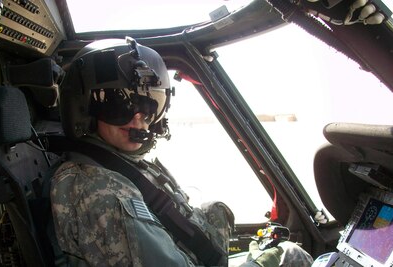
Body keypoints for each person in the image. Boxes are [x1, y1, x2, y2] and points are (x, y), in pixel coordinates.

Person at [50, 37, 313, 267]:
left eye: (150, 104)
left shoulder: (120, 164)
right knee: (290, 256)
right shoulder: (101, 189)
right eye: (120, 104)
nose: (139, 118)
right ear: (83, 108)